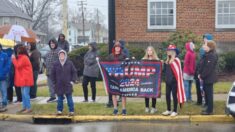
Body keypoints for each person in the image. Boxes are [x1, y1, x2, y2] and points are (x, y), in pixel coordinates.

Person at [162, 44, 186, 116]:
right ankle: (168, 109)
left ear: (173, 52)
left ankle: (175, 110)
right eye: (168, 50)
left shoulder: (176, 60)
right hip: (168, 81)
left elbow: (178, 72)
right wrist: (162, 64)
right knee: (167, 95)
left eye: (170, 50)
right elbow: (164, 71)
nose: (168, 51)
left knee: (174, 95)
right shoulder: (167, 60)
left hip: (174, 82)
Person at [51, 50, 77, 116]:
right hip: (59, 85)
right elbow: (52, 74)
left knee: (69, 98)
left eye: (63, 54)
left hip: (68, 84)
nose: (61, 56)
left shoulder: (69, 63)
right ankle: (59, 110)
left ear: (65, 55)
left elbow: (74, 72)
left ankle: (71, 111)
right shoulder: (55, 64)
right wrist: (54, 82)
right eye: (60, 55)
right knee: (59, 99)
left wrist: (72, 81)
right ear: (59, 56)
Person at [12, 45, 34, 113]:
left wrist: (13, 59)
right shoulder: (21, 57)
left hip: (26, 79)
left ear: (21, 51)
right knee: (23, 94)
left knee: (25, 94)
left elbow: (18, 65)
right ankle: (24, 107)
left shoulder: (24, 58)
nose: (17, 52)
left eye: (18, 50)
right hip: (23, 78)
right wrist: (15, 58)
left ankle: (28, 108)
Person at [107, 41, 127, 115]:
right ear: (114, 48)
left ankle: (124, 109)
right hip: (113, 77)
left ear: (120, 48)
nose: (117, 48)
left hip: (122, 76)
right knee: (113, 93)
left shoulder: (124, 56)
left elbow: (127, 65)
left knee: (123, 93)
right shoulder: (110, 56)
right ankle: (115, 109)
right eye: (116, 47)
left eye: (119, 47)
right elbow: (107, 65)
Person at [198, 40, 218, 115]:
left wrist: (202, 75)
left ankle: (210, 110)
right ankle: (208, 108)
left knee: (209, 95)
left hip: (209, 78)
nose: (204, 46)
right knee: (207, 94)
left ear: (210, 47)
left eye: (205, 45)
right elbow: (202, 65)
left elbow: (208, 68)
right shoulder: (207, 54)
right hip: (206, 77)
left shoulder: (211, 55)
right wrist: (200, 73)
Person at [194, 33, 213, 106]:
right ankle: (199, 101)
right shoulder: (202, 47)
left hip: (204, 71)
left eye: (206, 38)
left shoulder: (210, 49)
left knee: (205, 88)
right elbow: (200, 59)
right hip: (199, 68)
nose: (204, 39)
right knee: (198, 86)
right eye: (204, 38)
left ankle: (205, 102)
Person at [142, 46, 160, 114]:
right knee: (146, 93)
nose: (149, 52)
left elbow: (159, 70)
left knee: (153, 94)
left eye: (151, 50)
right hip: (146, 79)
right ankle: (146, 107)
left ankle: (153, 107)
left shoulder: (156, 60)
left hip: (154, 79)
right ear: (147, 51)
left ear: (153, 51)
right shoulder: (143, 59)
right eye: (148, 50)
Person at [45, 38, 61, 103]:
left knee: (57, 85)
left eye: (53, 43)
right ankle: (52, 97)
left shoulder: (59, 50)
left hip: (56, 71)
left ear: (56, 43)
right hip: (49, 71)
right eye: (51, 43)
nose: (52, 44)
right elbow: (46, 60)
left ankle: (61, 97)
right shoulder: (49, 51)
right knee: (50, 85)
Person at [0, 44, 11, 112]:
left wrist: (3, 73)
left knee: (3, 90)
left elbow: (8, 66)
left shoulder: (5, 55)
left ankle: (4, 104)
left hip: (3, 77)